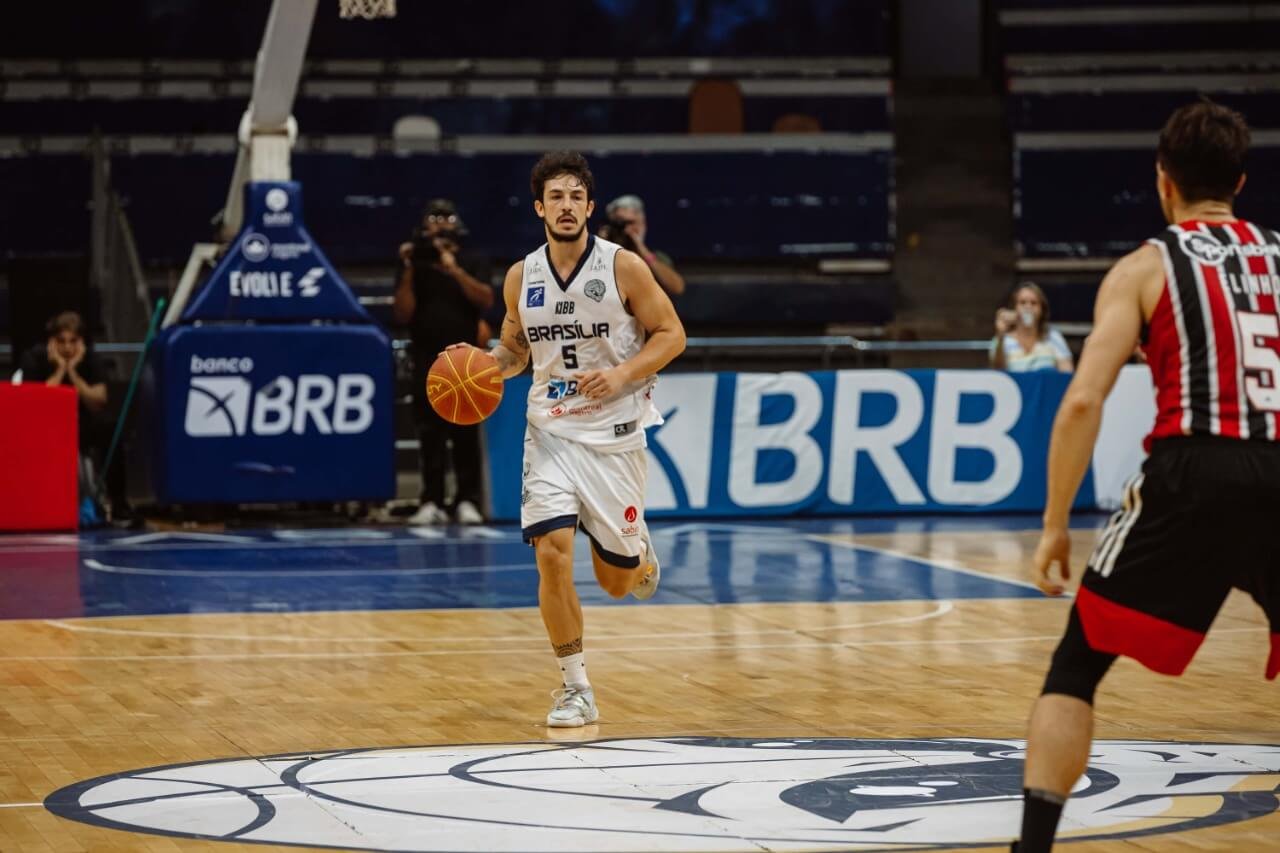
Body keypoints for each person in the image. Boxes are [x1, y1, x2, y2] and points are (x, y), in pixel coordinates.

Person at [1014, 100, 1280, 851]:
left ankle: (1031, 846)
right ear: (1241, 180)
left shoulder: (1144, 267)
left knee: (1077, 663)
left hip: (1195, 466)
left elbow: (1084, 401)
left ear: (1164, 183)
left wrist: (1055, 524)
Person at [450, 151, 685, 727]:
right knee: (552, 556)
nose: (566, 206)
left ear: (589, 206)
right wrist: (479, 367)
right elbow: (513, 353)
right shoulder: (519, 277)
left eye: (575, 196)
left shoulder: (623, 267)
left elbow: (672, 333)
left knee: (616, 581)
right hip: (550, 430)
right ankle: (575, 687)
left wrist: (623, 374)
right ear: (540, 207)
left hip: (615, 435)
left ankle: (636, 552)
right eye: (555, 196)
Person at [393, 199, 495, 525]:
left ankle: (468, 498)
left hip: (464, 360)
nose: (440, 223)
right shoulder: (415, 266)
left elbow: (486, 300)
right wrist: (410, 267)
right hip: (425, 357)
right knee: (429, 434)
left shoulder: (473, 259)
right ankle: (431, 499)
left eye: (446, 217)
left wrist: (453, 269)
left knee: (466, 434)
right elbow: (401, 313)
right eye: (433, 218)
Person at [17, 312, 111, 512]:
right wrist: (60, 370)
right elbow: (35, 403)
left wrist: (73, 373)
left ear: (81, 341)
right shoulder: (34, 357)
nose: (68, 347)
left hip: (82, 425)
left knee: (108, 429)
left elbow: (99, 400)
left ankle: (117, 504)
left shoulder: (91, 357)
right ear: (52, 341)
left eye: (73, 341)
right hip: (42, 429)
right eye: (61, 341)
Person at [599, 194, 685, 297]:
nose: (626, 229)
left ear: (643, 224)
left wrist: (643, 251)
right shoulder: (600, 254)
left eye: (632, 223)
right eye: (620, 224)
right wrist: (601, 246)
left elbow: (677, 288)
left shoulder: (656, 258)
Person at [990, 283, 1073, 372]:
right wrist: (1000, 335)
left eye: (1034, 303)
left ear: (1042, 310)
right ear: (1014, 308)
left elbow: (1066, 374)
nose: (1028, 307)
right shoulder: (1001, 340)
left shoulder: (1053, 337)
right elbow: (998, 373)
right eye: (1022, 302)